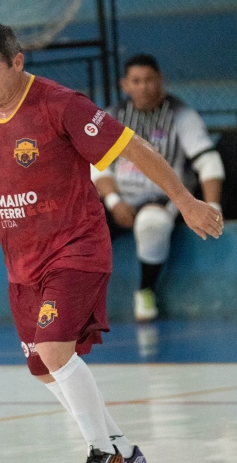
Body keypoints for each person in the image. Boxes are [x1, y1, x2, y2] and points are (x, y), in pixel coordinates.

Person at [0, 22, 223, 463]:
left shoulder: (61, 105)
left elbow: (133, 147)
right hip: (21, 263)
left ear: (17, 62)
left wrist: (185, 200)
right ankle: (123, 450)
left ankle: (102, 453)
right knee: (43, 368)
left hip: (76, 248)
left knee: (55, 351)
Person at [93, 53, 225, 322]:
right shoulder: (111, 116)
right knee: (76, 229)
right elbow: (98, 166)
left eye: (149, 80)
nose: (143, 86)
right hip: (120, 199)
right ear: (125, 85)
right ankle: (78, 301)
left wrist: (212, 206)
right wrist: (114, 202)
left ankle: (146, 291)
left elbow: (208, 161)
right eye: (136, 81)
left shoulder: (182, 115)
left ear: (160, 80)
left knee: (152, 224)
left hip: (163, 198)